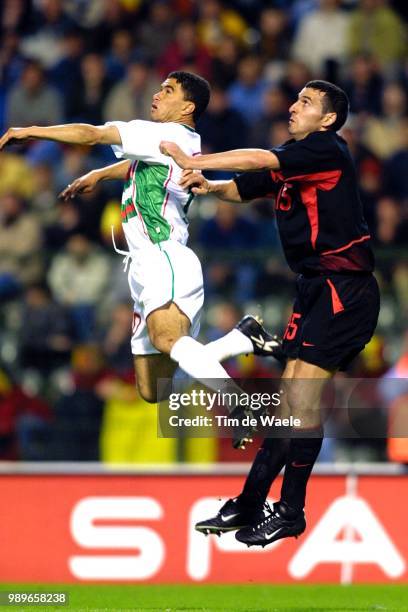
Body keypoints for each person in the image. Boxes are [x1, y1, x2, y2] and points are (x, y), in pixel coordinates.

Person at [0, 70, 282, 449]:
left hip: (163, 256)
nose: (156, 94)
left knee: (168, 339)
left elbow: (92, 133)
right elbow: (137, 164)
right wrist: (100, 173)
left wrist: (29, 131)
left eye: (168, 90)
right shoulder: (170, 141)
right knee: (153, 389)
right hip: (147, 266)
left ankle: (239, 404)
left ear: (188, 106)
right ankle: (240, 338)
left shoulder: (164, 135)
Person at [160, 80, 380, 546]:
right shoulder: (296, 158)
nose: (294, 105)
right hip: (316, 289)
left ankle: (291, 510)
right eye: (296, 98)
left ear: (328, 119)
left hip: (344, 290)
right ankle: (250, 502)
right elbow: (245, 187)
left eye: (306, 102)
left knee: (300, 405)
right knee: (288, 409)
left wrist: (194, 161)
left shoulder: (325, 150)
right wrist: (208, 185)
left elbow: (261, 160)